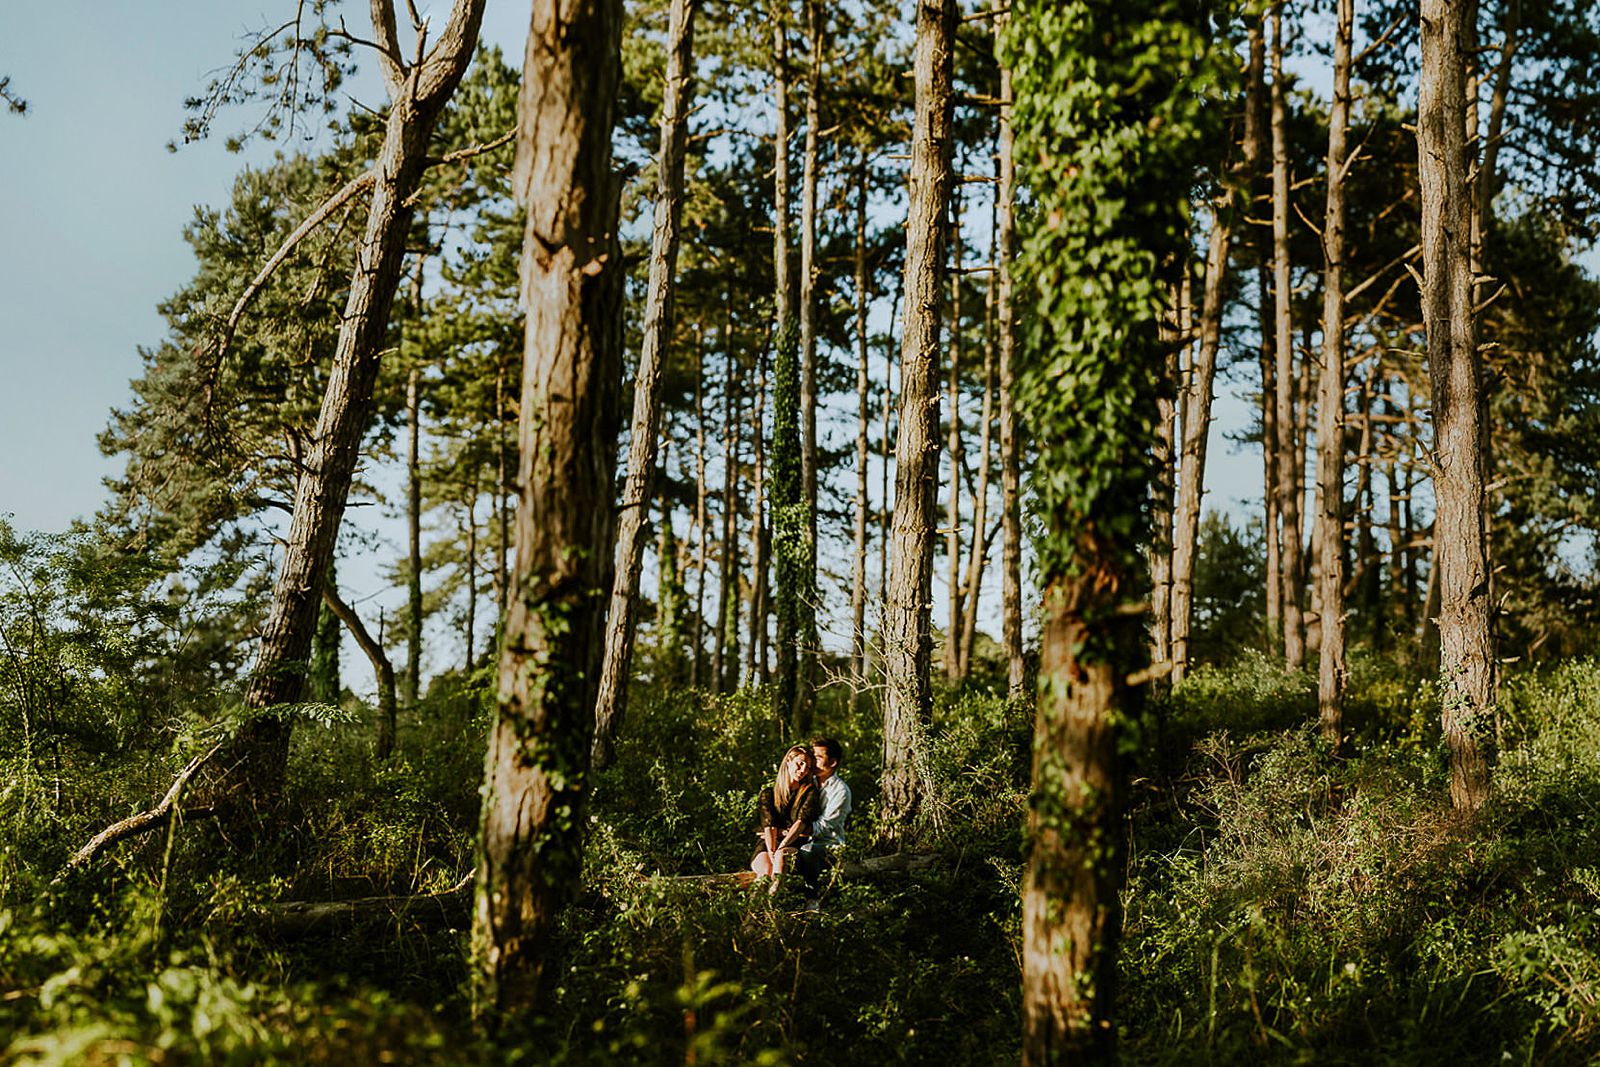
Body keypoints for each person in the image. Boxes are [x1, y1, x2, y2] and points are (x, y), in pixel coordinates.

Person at [751, 744, 820, 893]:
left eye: (807, 767)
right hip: (767, 844)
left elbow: (801, 823)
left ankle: (772, 907)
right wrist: (771, 852)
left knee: (781, 858)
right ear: (788, 761)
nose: (803, 770)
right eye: (800, 764)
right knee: (765, 873)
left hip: (792, 844)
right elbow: (769, 827)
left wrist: (781, 844)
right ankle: (752, 914)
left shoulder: (809, 792)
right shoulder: (768, 794)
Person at [796, 736, 852, 905]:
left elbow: (825, 826)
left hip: (829, 845)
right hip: (801, 837)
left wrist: (796, 832)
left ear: (833, 762)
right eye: (812, 756)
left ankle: (813, 901)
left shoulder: (841, 790)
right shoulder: (806, 781)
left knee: (808, 850)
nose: (812, 762)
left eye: (818, 758)